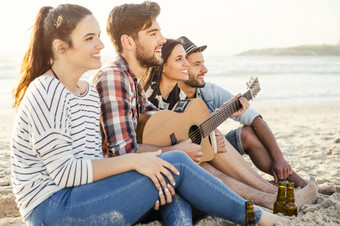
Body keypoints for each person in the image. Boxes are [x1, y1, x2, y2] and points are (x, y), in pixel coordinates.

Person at [10, 3, 291, 226]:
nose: (101, 45)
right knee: (177, 163)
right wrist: (138, 162)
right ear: (61, 47)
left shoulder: (86, 92)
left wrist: (147, 170)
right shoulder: (46, 92)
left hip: (84, 194)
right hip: (52, 208)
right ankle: (258, 217)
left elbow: (93, 159)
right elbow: (66, 173)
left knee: (169, 186)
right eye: (89, 38)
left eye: (98, 36)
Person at [142, 38, 318, 210]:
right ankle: (270, 196)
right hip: (158, 165)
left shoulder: (178, 94)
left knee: (216, 137)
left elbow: (182, 128)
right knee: (207, 158)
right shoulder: (145, 96)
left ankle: (273, 192)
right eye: (181, 60)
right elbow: (140, 142)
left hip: (182, 155)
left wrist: (212, 127)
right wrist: (181, 148)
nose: (187, 65)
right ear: (162, 65)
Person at [176, 36, 335, 195]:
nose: (205, 69)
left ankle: (298, 183)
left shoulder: (208, 91)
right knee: (214, 140)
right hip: (189, 155)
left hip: (214, 147)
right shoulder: (167, 94)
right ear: (181, 66)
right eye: (197, 64)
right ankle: (269, 187)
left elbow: (254, 119)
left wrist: (279, 158)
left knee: (247, 133)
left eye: (203, 62)